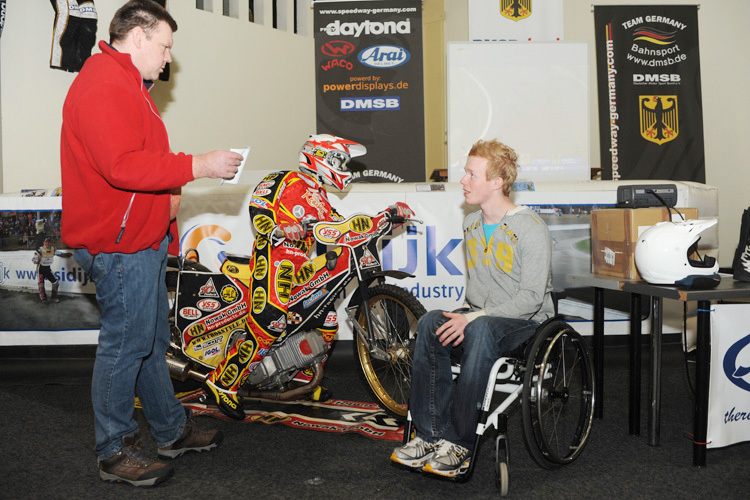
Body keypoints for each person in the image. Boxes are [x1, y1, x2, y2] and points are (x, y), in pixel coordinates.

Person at [60, 0, 244, 488]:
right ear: (137, 37)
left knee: (150, 342)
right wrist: (197, 165)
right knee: (127, 344)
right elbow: (121, 166)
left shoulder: (123, 84)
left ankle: (169, 429)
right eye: (164, 46)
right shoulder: (104, 83)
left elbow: (138, 162)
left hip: (137, 240)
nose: (167, 58)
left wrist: (171, 193)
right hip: (119, 245)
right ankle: (114, 449)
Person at [202, 134, 414, 420]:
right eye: (340, 161)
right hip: (273, 256)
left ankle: (301, 378)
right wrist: (279, 228)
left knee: (325, 321)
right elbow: (259, 207)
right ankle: (222, 382)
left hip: (300, 263)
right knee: (271, 321)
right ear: (318, 157)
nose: (344, 168)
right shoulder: (284, 178)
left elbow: (344, 229)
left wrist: (387, 216)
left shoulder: (323, 199)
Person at [391, 139, 555, 478]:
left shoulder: (531, 228)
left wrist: (473, 317)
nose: (463, 181)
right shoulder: (472, 225)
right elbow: (480, 295)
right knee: (430, 322)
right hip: (482, 315)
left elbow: (531, 299)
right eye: (465, 173)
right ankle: (428, 434)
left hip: (527, 322)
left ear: (497, 182)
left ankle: (460, 442)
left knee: (479, 328)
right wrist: (468, 315)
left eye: (471, 174)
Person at [32, 236, 71, 304]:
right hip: (40, 269)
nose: (47, 243)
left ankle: (54, 297)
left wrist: (66, 254)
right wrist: (38, 258)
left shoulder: (53, 249)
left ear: (50, 242)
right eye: (46, 241)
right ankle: (43, 299)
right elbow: (33, 260)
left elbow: (59, 253)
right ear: (43, 242)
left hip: (47, 269)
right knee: (41, 284)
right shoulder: (40, 250)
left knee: (56, 283)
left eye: (48, 241)